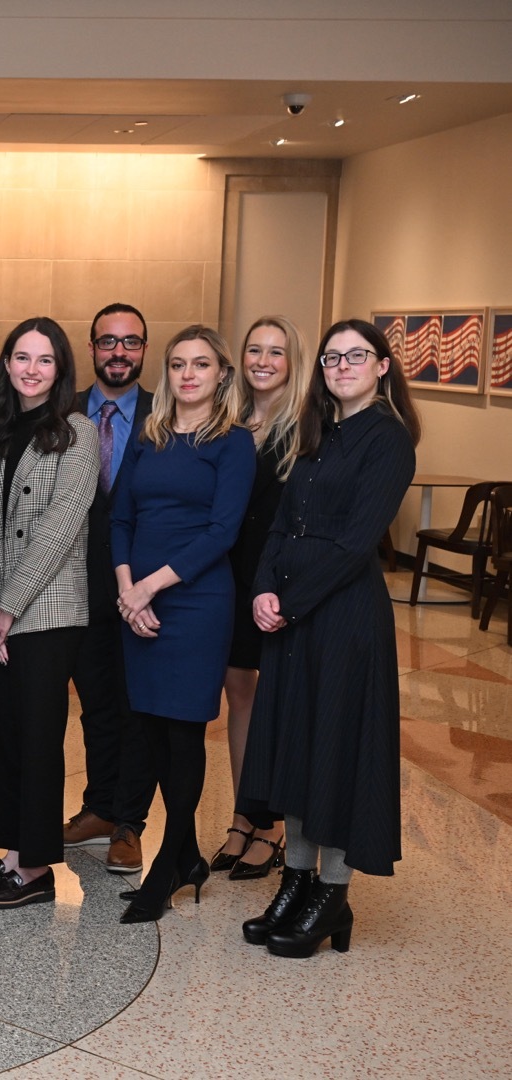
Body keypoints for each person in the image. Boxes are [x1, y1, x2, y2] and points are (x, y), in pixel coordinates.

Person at [238, 319, 420, 958]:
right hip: (293, 614)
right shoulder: (316, 433)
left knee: (336, 752)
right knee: (297, 747)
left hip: (343, 620)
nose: (341, 365)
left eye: (356, 356)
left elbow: (353, 543)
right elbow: (282, 523)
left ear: (382, 368)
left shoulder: (389, 441)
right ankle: (296, 880)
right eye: (331, 356)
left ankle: (333, 895)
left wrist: (286, 600)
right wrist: (262, 587)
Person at [112, 325, 255, 924]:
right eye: (177, 364)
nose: (188, 374)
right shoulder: (148, 436)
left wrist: (148, 586)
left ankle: (170, 859)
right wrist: (126, 589)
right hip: (135, 603)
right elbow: (119, 516)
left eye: (201, 364)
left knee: (183, 733)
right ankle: (190, 856)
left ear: (222, 374)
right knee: (147, 728)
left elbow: (223, 532)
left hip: (196, 603)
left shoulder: (234, 443)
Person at [0, 317, 97, 910]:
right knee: (5, 737)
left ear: (61, 369)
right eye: (21, 357)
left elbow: (60, 529)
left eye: (44, 360)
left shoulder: (77, 432)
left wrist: (8, 609)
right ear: (7, 364)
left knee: (38, 739)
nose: (31, 369)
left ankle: (36, 868)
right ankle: (12, 854)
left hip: (47, 612)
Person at [212, 316, 313, 879]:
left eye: (277, 351)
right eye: (255, 350)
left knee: (276, 699)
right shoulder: (227, 422)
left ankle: (271, 825)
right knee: (239, 692)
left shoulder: (307, 426)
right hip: (228, 574)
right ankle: (242, 814)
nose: (264, 361)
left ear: (292, 361)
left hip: (279, 579)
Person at [64, 303, 155, 875]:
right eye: (107, 342)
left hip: (145, 587)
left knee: (138, 707)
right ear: (92, 347)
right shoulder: (63, 412)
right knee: (95, 703)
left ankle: (129, 822)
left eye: (131, 342)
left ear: (144, 349)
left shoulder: (168, 416)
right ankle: (98, 806)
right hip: (76, 585)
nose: (119, 352)